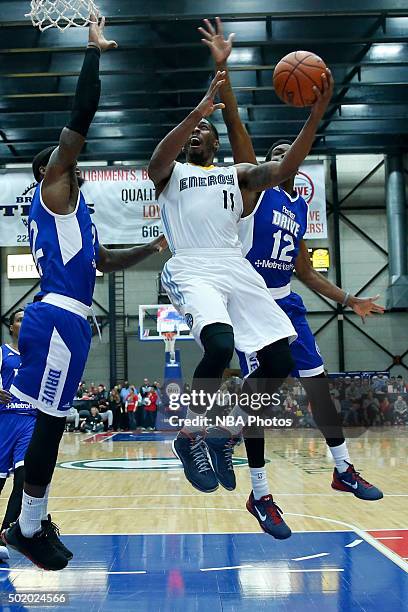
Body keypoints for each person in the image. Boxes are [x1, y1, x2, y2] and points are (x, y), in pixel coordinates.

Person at [200, 17, 383, 537]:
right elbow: (239, 136)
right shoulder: (255, 192)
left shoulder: (297, 212)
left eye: (289, 155)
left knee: (318, 384)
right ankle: (260, 493)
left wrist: (350, 300)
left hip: (288, 302)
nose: (282, 159)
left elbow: (305, 271)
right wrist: (224, 73)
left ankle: (343, 468)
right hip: (251, 302)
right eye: (276, 155)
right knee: (264, 394)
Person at [1, 18, 166, 572]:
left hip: (69, 320)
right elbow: (81, 117)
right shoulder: (52, 190)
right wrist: (93, 53)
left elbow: (105, 262)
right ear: (50, 169)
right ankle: (25, 526)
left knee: (55, 420)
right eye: (61, 157)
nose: (70, 160)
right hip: (55, 316)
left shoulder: (79, 216)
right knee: (48, 422)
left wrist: (153, 247)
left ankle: (29, 521)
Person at [148, 17, 334, 498]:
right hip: (192, 264)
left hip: (235, 266)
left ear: (217, 144)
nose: (197, 135)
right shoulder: (172, 176)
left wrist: (317, 112)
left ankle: (228, 429)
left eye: (206, 131)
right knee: (220, 345)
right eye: (195, 130)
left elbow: (286, 166)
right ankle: (190, 435)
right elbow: (155, 161)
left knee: (276, 360)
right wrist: (199, 107)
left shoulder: (238, 176)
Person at [0, 310, 38, 562]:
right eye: (19, 319)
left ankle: (4, 534)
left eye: (27, 319)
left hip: (30, 420)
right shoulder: (2, 352)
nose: (23, 323)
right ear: (11, 327)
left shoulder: (40, 355)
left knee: (25, 478)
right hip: (4, 420)